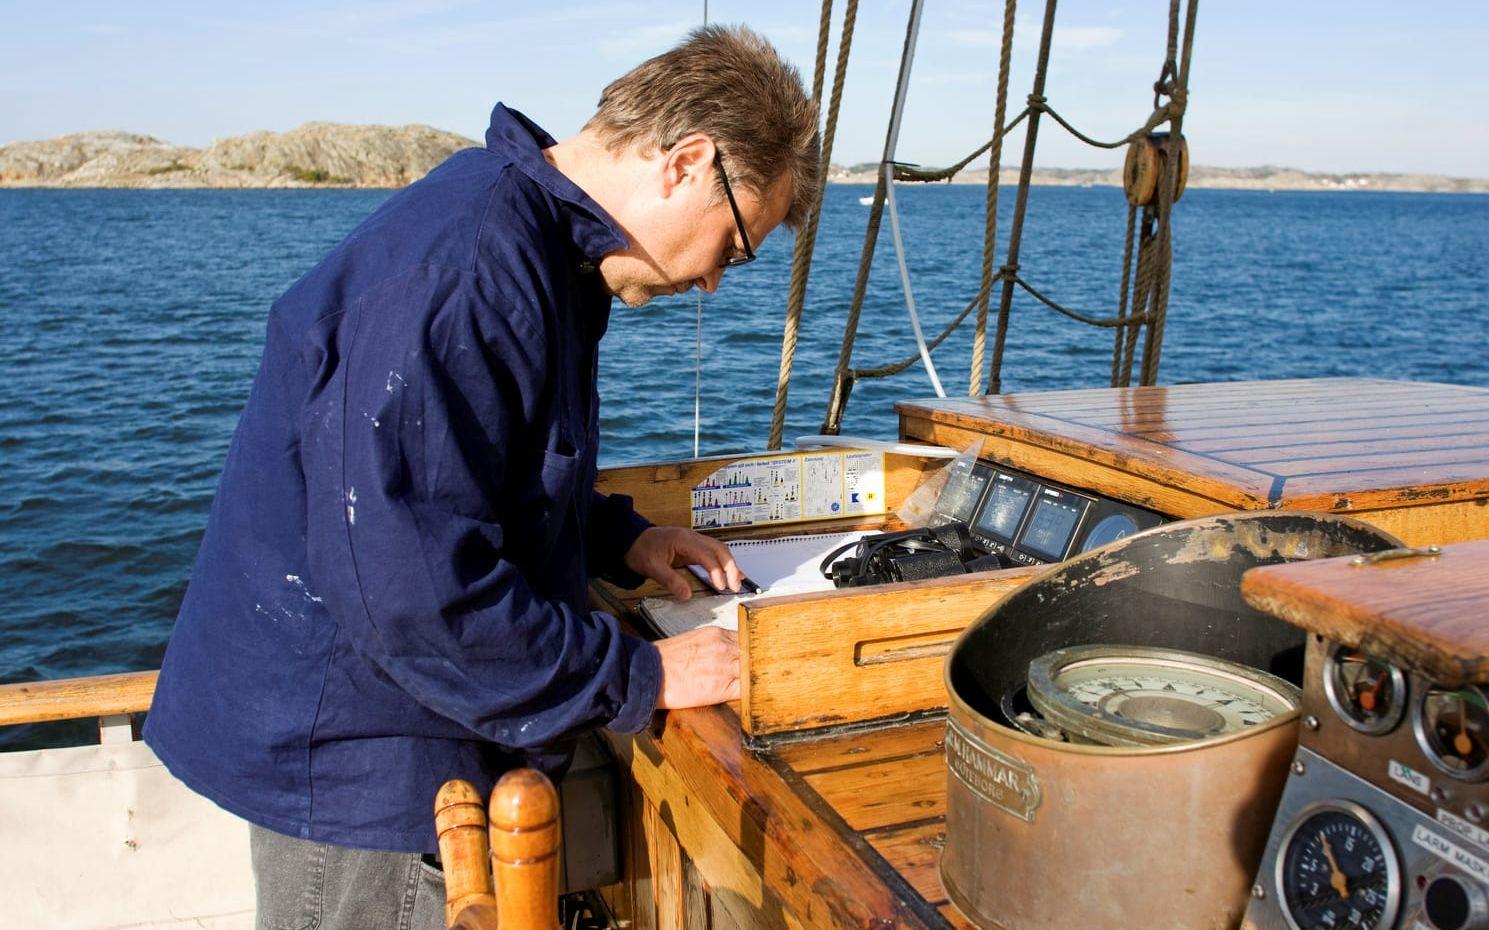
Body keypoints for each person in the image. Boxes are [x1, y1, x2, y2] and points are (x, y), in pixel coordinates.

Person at [142, 24, 820, 930]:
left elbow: (469, 480)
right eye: (735, 247)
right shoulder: (471, 271)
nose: (711, 284)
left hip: (399, 721)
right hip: (364, 766)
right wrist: (642, 673)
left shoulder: (527, 241)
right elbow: (409, 591)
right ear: (687, 162)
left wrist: (619, 537)